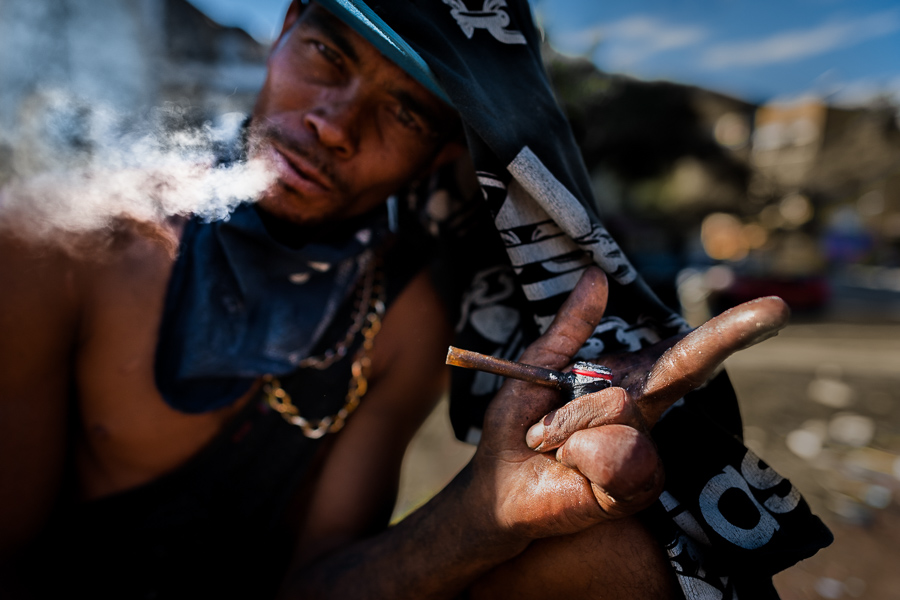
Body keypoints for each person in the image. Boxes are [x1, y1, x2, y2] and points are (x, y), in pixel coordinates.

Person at [0, 1, 830, 598]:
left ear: (442, 156)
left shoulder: (403, 316)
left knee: (614, 558)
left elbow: (318, 579)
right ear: (284, 28)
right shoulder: (70, 248)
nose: (334, 124)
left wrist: (478, 518)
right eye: (327, 53)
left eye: (402, 108)